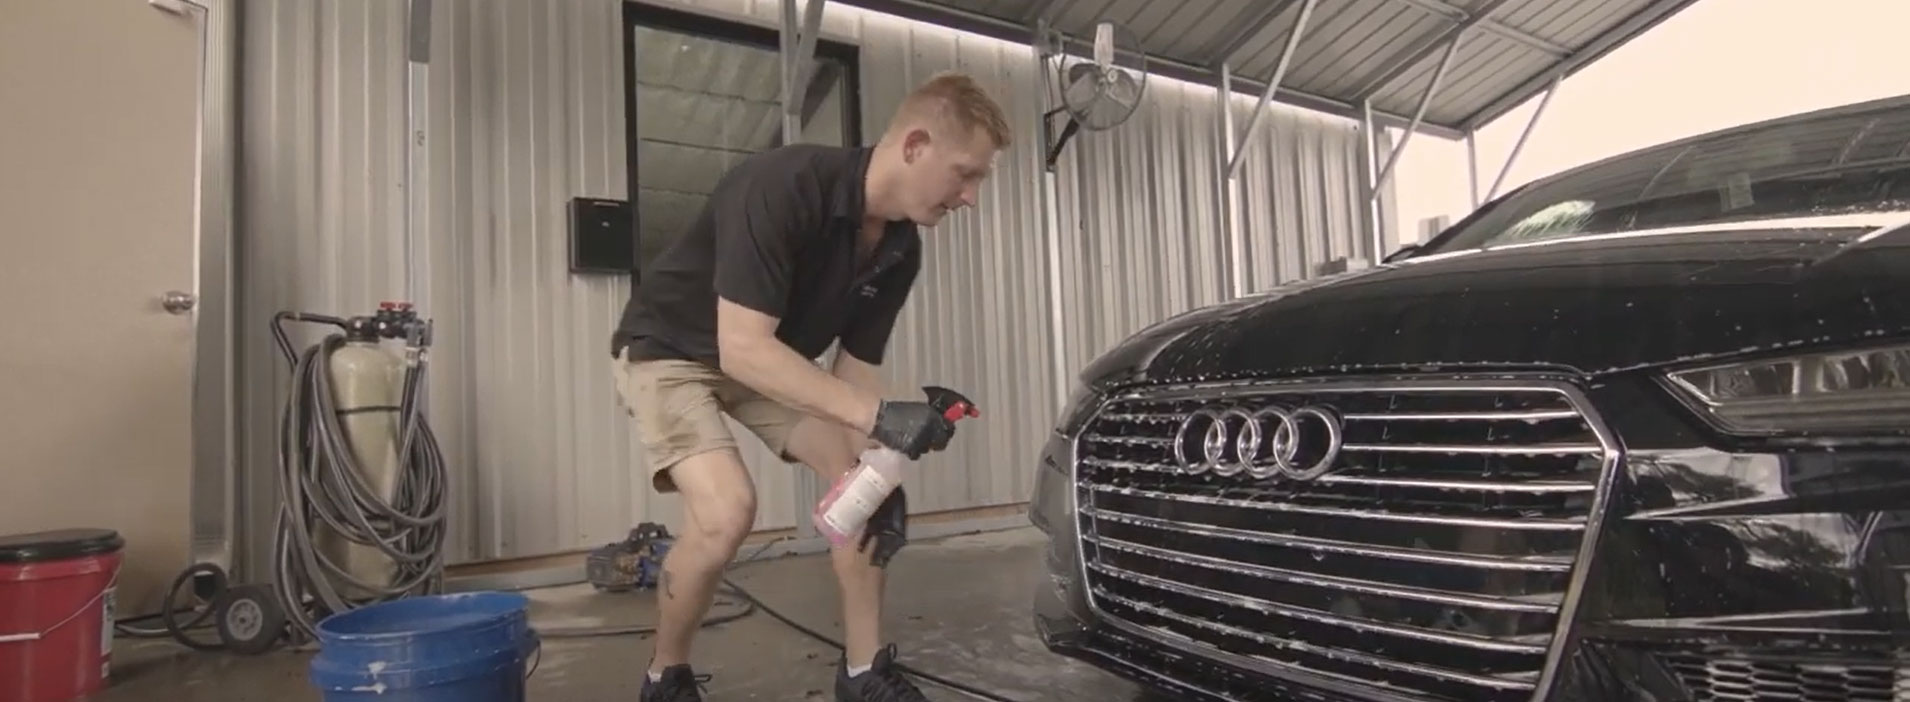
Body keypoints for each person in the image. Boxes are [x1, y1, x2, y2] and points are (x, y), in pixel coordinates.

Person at [609, 70, 1013, 702]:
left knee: (863, 492)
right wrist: (880, 416)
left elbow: (851, 375)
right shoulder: (783, 185)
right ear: (914, 146)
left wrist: (875, 467)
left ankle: (862, 672)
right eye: (966, 173)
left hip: (771, 359)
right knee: (727, 512)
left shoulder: (900, 247)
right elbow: (741, 346)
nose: (970, 197)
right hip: (672, 350)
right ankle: (666, 676)